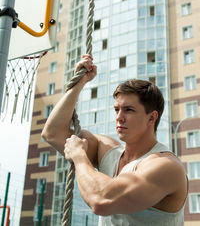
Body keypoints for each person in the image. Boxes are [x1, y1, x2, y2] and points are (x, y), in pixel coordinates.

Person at [42, 54, 188, 226]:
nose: (119, 117)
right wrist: (79, 84)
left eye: (129, 110)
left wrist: (79, 157)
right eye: (117, 109)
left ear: (151, 118)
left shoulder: (165, 166)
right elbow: (52, 133)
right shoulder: (108, 150)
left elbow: (101, 201)